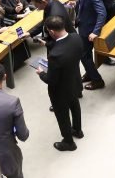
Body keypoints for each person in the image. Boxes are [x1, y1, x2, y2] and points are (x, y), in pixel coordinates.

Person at [37, 15, 84, 151]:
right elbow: (66, 48)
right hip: (74, 80)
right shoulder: (76, 37)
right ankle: (77, 130)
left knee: (62, 115)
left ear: (52, 32)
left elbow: (51, 80)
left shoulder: (55, 55)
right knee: (75, 105)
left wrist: (41, 73)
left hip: (60, 91)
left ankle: (68, 142)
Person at [69, 0, 106, 90]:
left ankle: (97, 80)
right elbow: (83, 0)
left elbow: (102, 13)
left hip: (89, 29)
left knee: (84, 55)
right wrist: (77, 4)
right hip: (83, 24)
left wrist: (95, 31)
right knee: (85, 54)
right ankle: (90, 73)